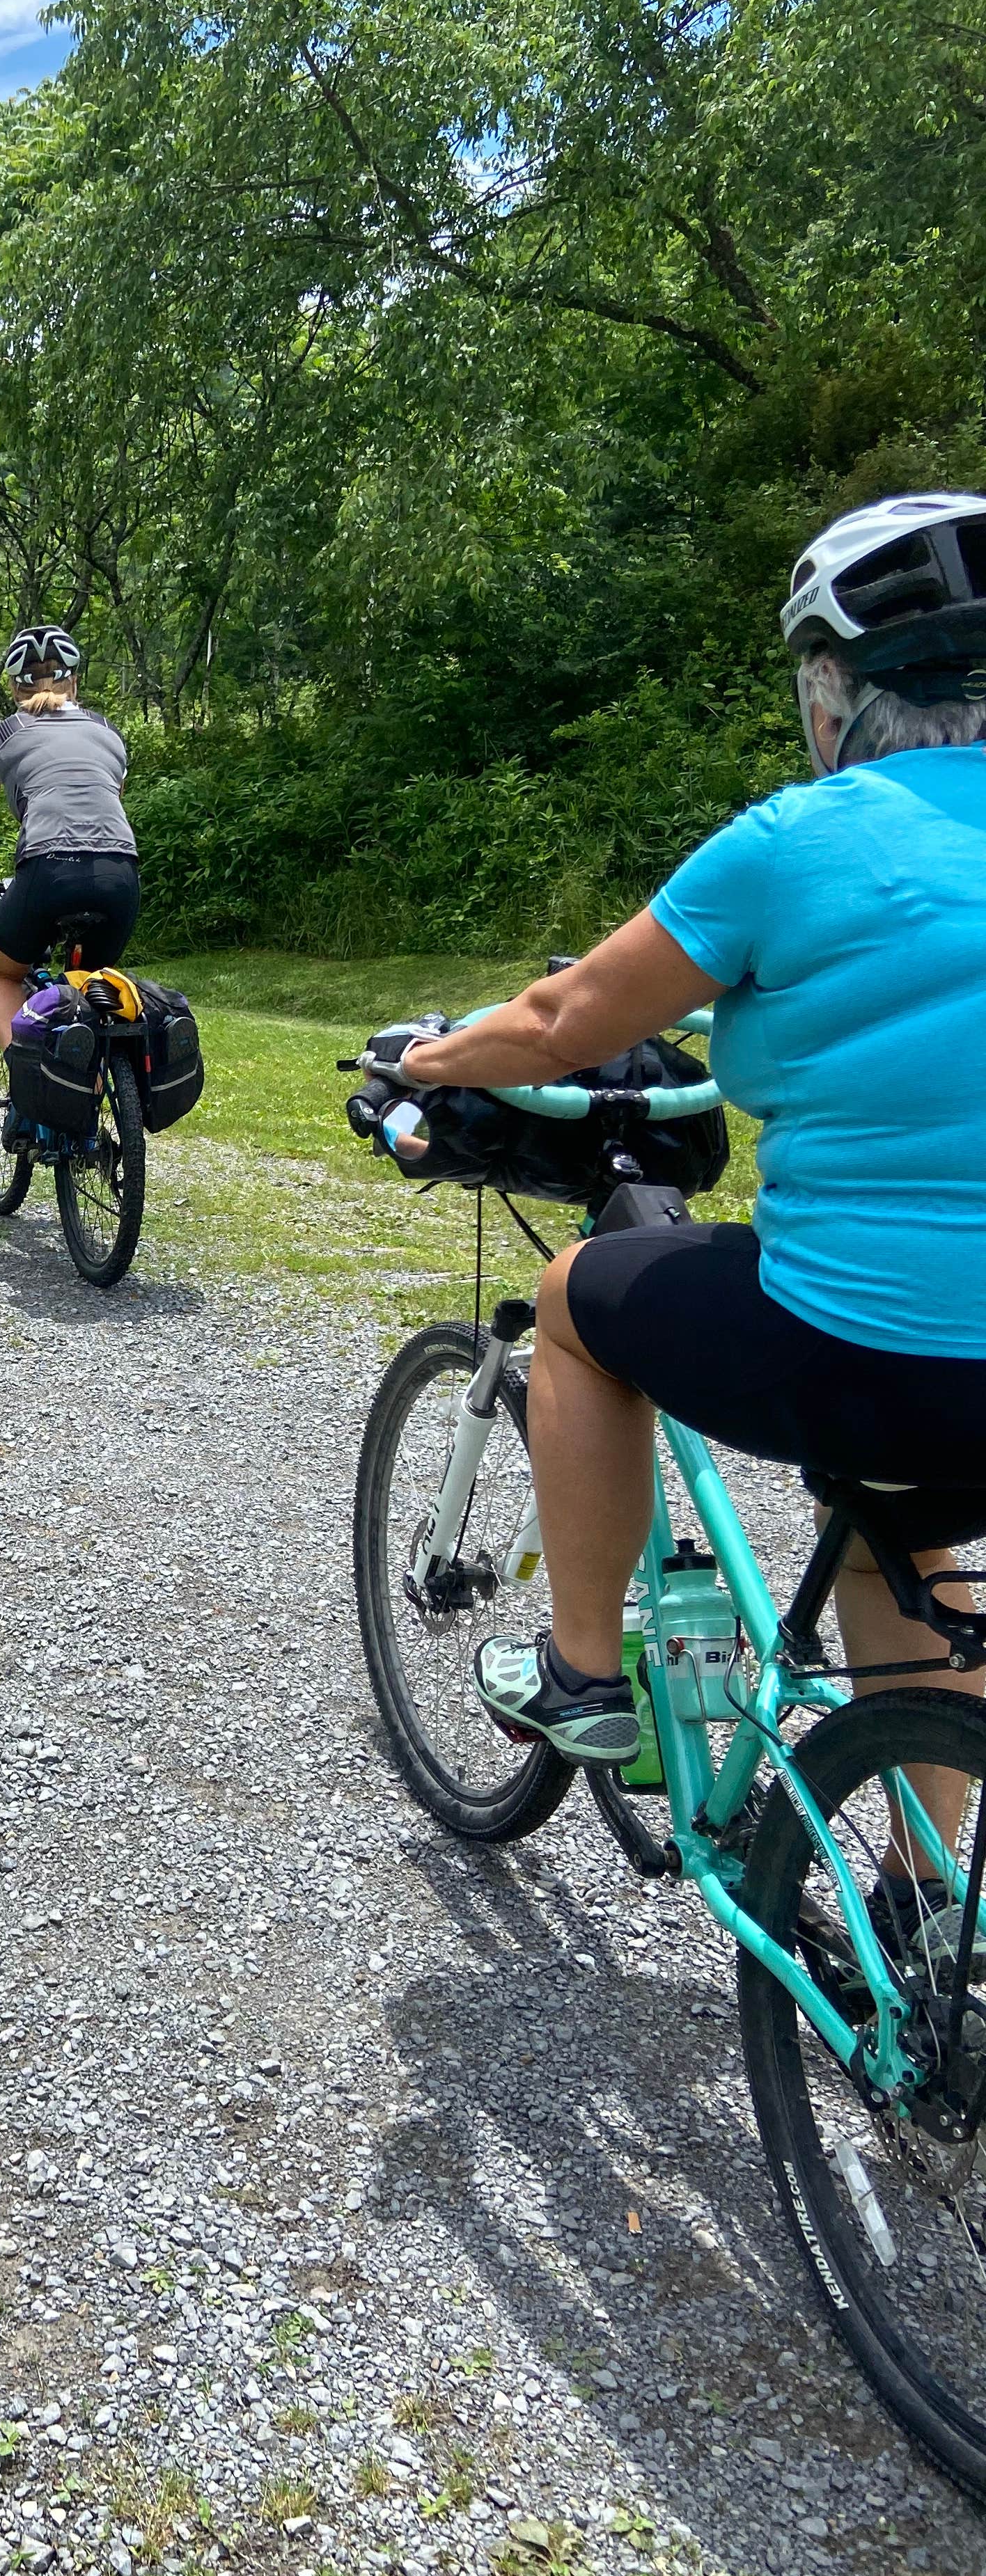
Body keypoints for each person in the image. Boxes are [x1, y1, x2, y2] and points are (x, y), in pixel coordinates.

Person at [389, 493, 986, 1926]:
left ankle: (580, 1673)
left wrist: (427, 1060)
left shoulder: (795, 841)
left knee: (575, 1302)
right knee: (902, 1523)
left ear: (832, 687)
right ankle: (919, 1901)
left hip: (867, 1344)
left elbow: (562, 1020)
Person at [0, 625, 140, 1046]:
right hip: (120, 874)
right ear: (74, 681)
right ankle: (97, 1076)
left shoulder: (0, 738)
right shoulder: (109, 733)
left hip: (48, 869)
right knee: (92, 988)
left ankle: (23, 1071)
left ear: (13, 688)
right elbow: (106, 807)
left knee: (4, 976)